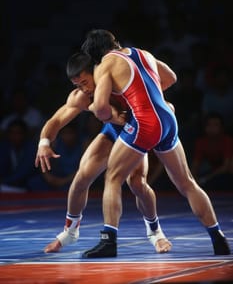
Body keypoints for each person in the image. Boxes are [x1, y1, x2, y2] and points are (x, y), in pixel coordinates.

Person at [77, 29, 230, 258]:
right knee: (187, 182)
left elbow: (100, 108)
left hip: (144, 122)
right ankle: (218, 239)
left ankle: (109, 241)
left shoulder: (105, 64)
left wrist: (116, 116)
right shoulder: (143, 53)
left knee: (113, 178)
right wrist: (148, 95)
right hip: (167, 117)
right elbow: (171, 78)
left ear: (95, 55)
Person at [35, 53, 173, 254]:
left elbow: (166, 81)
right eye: (78, 85)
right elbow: (56, 121)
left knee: (137, 183)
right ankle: (70, 232)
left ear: (95, 72)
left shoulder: (121, 79)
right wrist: (44, 143)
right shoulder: (83, 96)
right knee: (82, 177)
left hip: (136, 132)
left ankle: (156, 233)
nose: (83, 89)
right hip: (111, 133)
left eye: (84, 82)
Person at [191, 112, 233, 191]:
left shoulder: (228, 141)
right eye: (209, 125)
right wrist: (191, 180)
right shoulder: (201, 142)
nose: (212, 128)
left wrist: (206, 179)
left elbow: (226, 166)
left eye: (215, 125)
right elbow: (195, 164)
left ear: (222, 128)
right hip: (213, 171)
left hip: (226, 173)